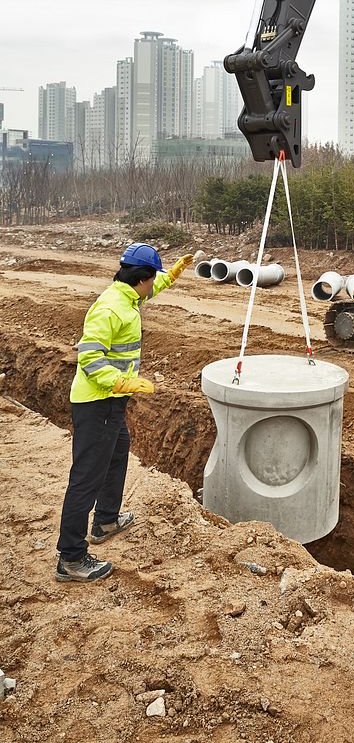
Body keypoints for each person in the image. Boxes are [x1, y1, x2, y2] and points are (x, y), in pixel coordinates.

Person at [55, 243, 193, 583]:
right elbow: (89, 358)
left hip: (111, 402)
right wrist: (120, 383)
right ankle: (71, 558)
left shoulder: (128, 296)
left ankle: (105, 520)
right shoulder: (111, 309)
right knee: (86, 478)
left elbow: (149, 291)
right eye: (155, 279)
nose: (154, 285)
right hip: (97, 402)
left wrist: (172, 276)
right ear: (142, 278)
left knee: (117, 456)